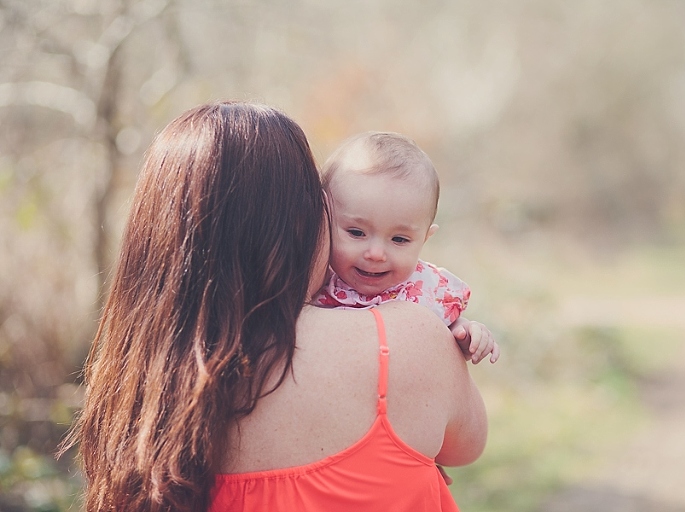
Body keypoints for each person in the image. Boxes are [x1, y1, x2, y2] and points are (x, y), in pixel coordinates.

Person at [60, 101, 487, 511]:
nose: (372, 252)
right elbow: (467, 444)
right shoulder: (407, 338)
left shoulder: (138, 392)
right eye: (347, 225)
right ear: (296, 220)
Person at [313, 131, 500, 364]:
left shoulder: (425, 289)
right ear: (324, 222)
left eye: (399, 240)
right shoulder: (316, 284)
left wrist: (466, 334)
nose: (376, 254)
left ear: (425, 238)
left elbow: (450, 327)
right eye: (357, 233)